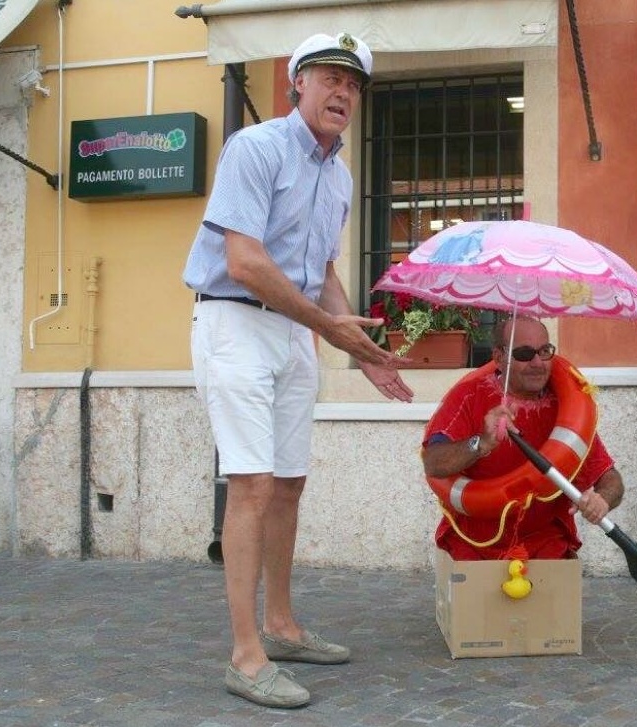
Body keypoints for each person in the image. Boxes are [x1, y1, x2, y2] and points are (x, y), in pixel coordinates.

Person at [183, 32, 413, 709]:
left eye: (354, 84)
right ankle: (246, 655)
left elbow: (324, 273)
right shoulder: (256, 148)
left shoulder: (338, 175)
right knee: (251, 483)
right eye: (329, 78)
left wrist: (364, 353)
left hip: (293, 331)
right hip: (234, 321)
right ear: (298, 83)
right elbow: (246, 262)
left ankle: (281, 627)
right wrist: (329, 328)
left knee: (288, 482)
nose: (343, 92)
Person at [421, 315, 624, 560]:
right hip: (475, 546)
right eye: (524, 354)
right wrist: (482, 442)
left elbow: (610, 479)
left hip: (547, 547)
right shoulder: (469, 396)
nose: (538, 362)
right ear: (498, 357)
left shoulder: (565, 411)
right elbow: (433, 464)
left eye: (545, 351)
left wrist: (602, 500)